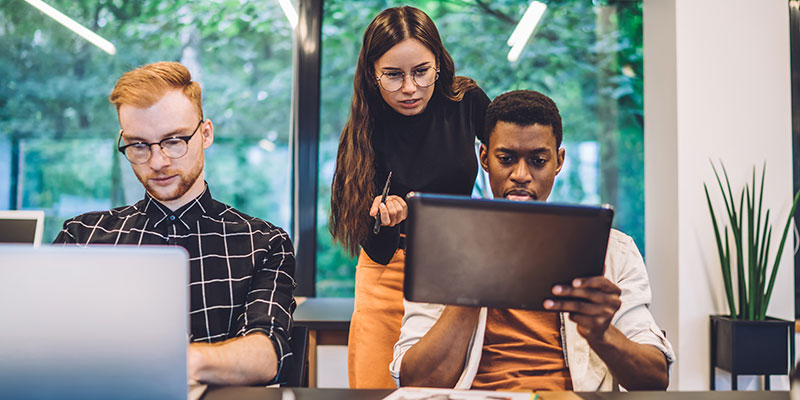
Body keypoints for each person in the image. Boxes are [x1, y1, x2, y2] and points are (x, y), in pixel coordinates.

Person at [391, 90, 675, 391]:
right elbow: (415, 383)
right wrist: (470, 291)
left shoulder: (613, 251)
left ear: (559, 161)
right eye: (506, 159)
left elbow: (655, 379)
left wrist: (603, 334)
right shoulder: (442, 251)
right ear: (484, 158)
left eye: (538, 160)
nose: (521, 175)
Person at [53, 62, 296, 386]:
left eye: (173, 140)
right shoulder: (82, 237)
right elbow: (44, 341)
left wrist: (182, 363)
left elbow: (266, 355)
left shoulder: (263, 242)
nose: (158, 162)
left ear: (205, 133)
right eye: (139, 144)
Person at [329, 6, 491, 389]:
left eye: (421, 71)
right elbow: (363, 237)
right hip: (387, 271)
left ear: (439, 62)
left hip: (455, 268)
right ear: (372, 73)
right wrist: (383, 221)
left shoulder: (466, 102)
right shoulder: (362, 130)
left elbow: (507, 158)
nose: (409, 88)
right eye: (393, 75)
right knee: (375, 389)